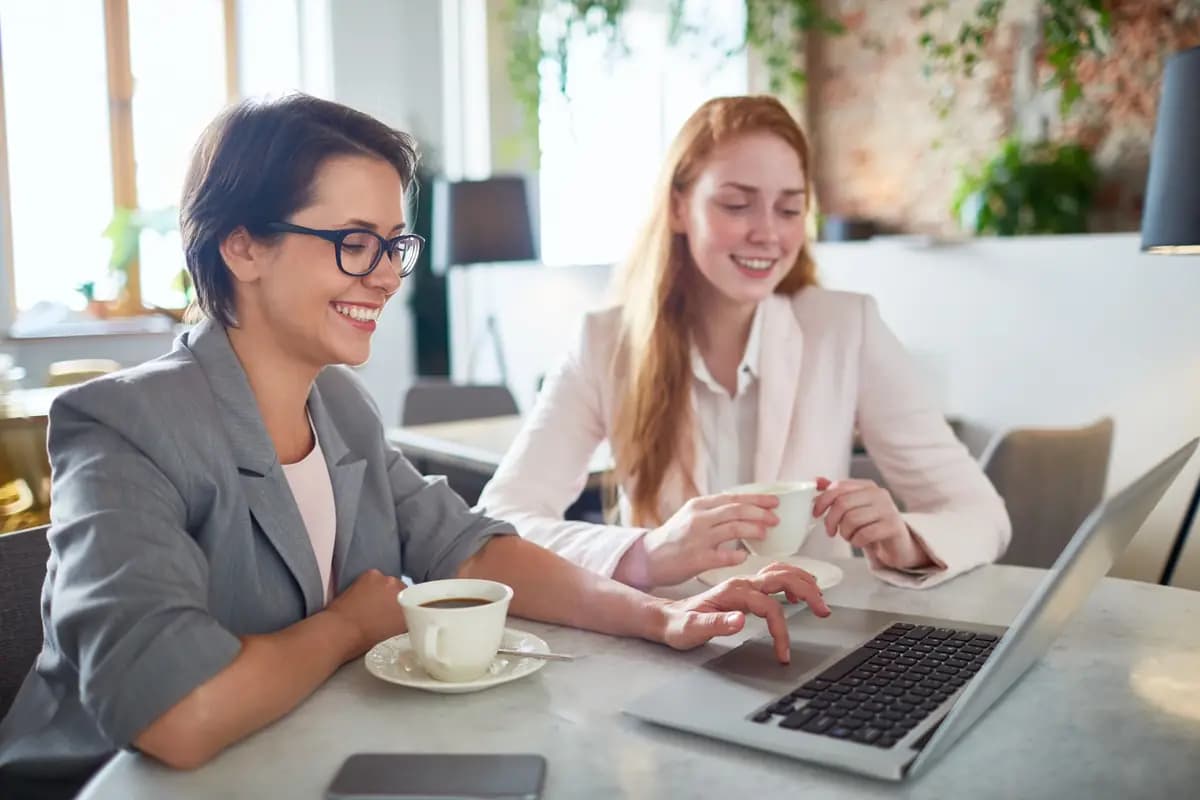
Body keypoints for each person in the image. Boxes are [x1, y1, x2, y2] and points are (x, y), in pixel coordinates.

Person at [0, 94, 829, 799]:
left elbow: (469, 550)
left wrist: (663, 614)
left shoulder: (341, 408)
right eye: (354, 242)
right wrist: (351, 623)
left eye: (394, 245)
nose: (387, 276)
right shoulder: (121, 426)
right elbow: (175, 718)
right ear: (242, 244)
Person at [479, 95, 1010, 591]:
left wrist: (904, 539)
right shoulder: (605, 343)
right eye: (737, 205)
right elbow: (499, 521)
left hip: (818, 638)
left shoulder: (848, 328)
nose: (768, 234)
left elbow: (982, 516)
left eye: (788, 209)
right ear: (679, 208)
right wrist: (648, 552)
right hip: (669, 639)